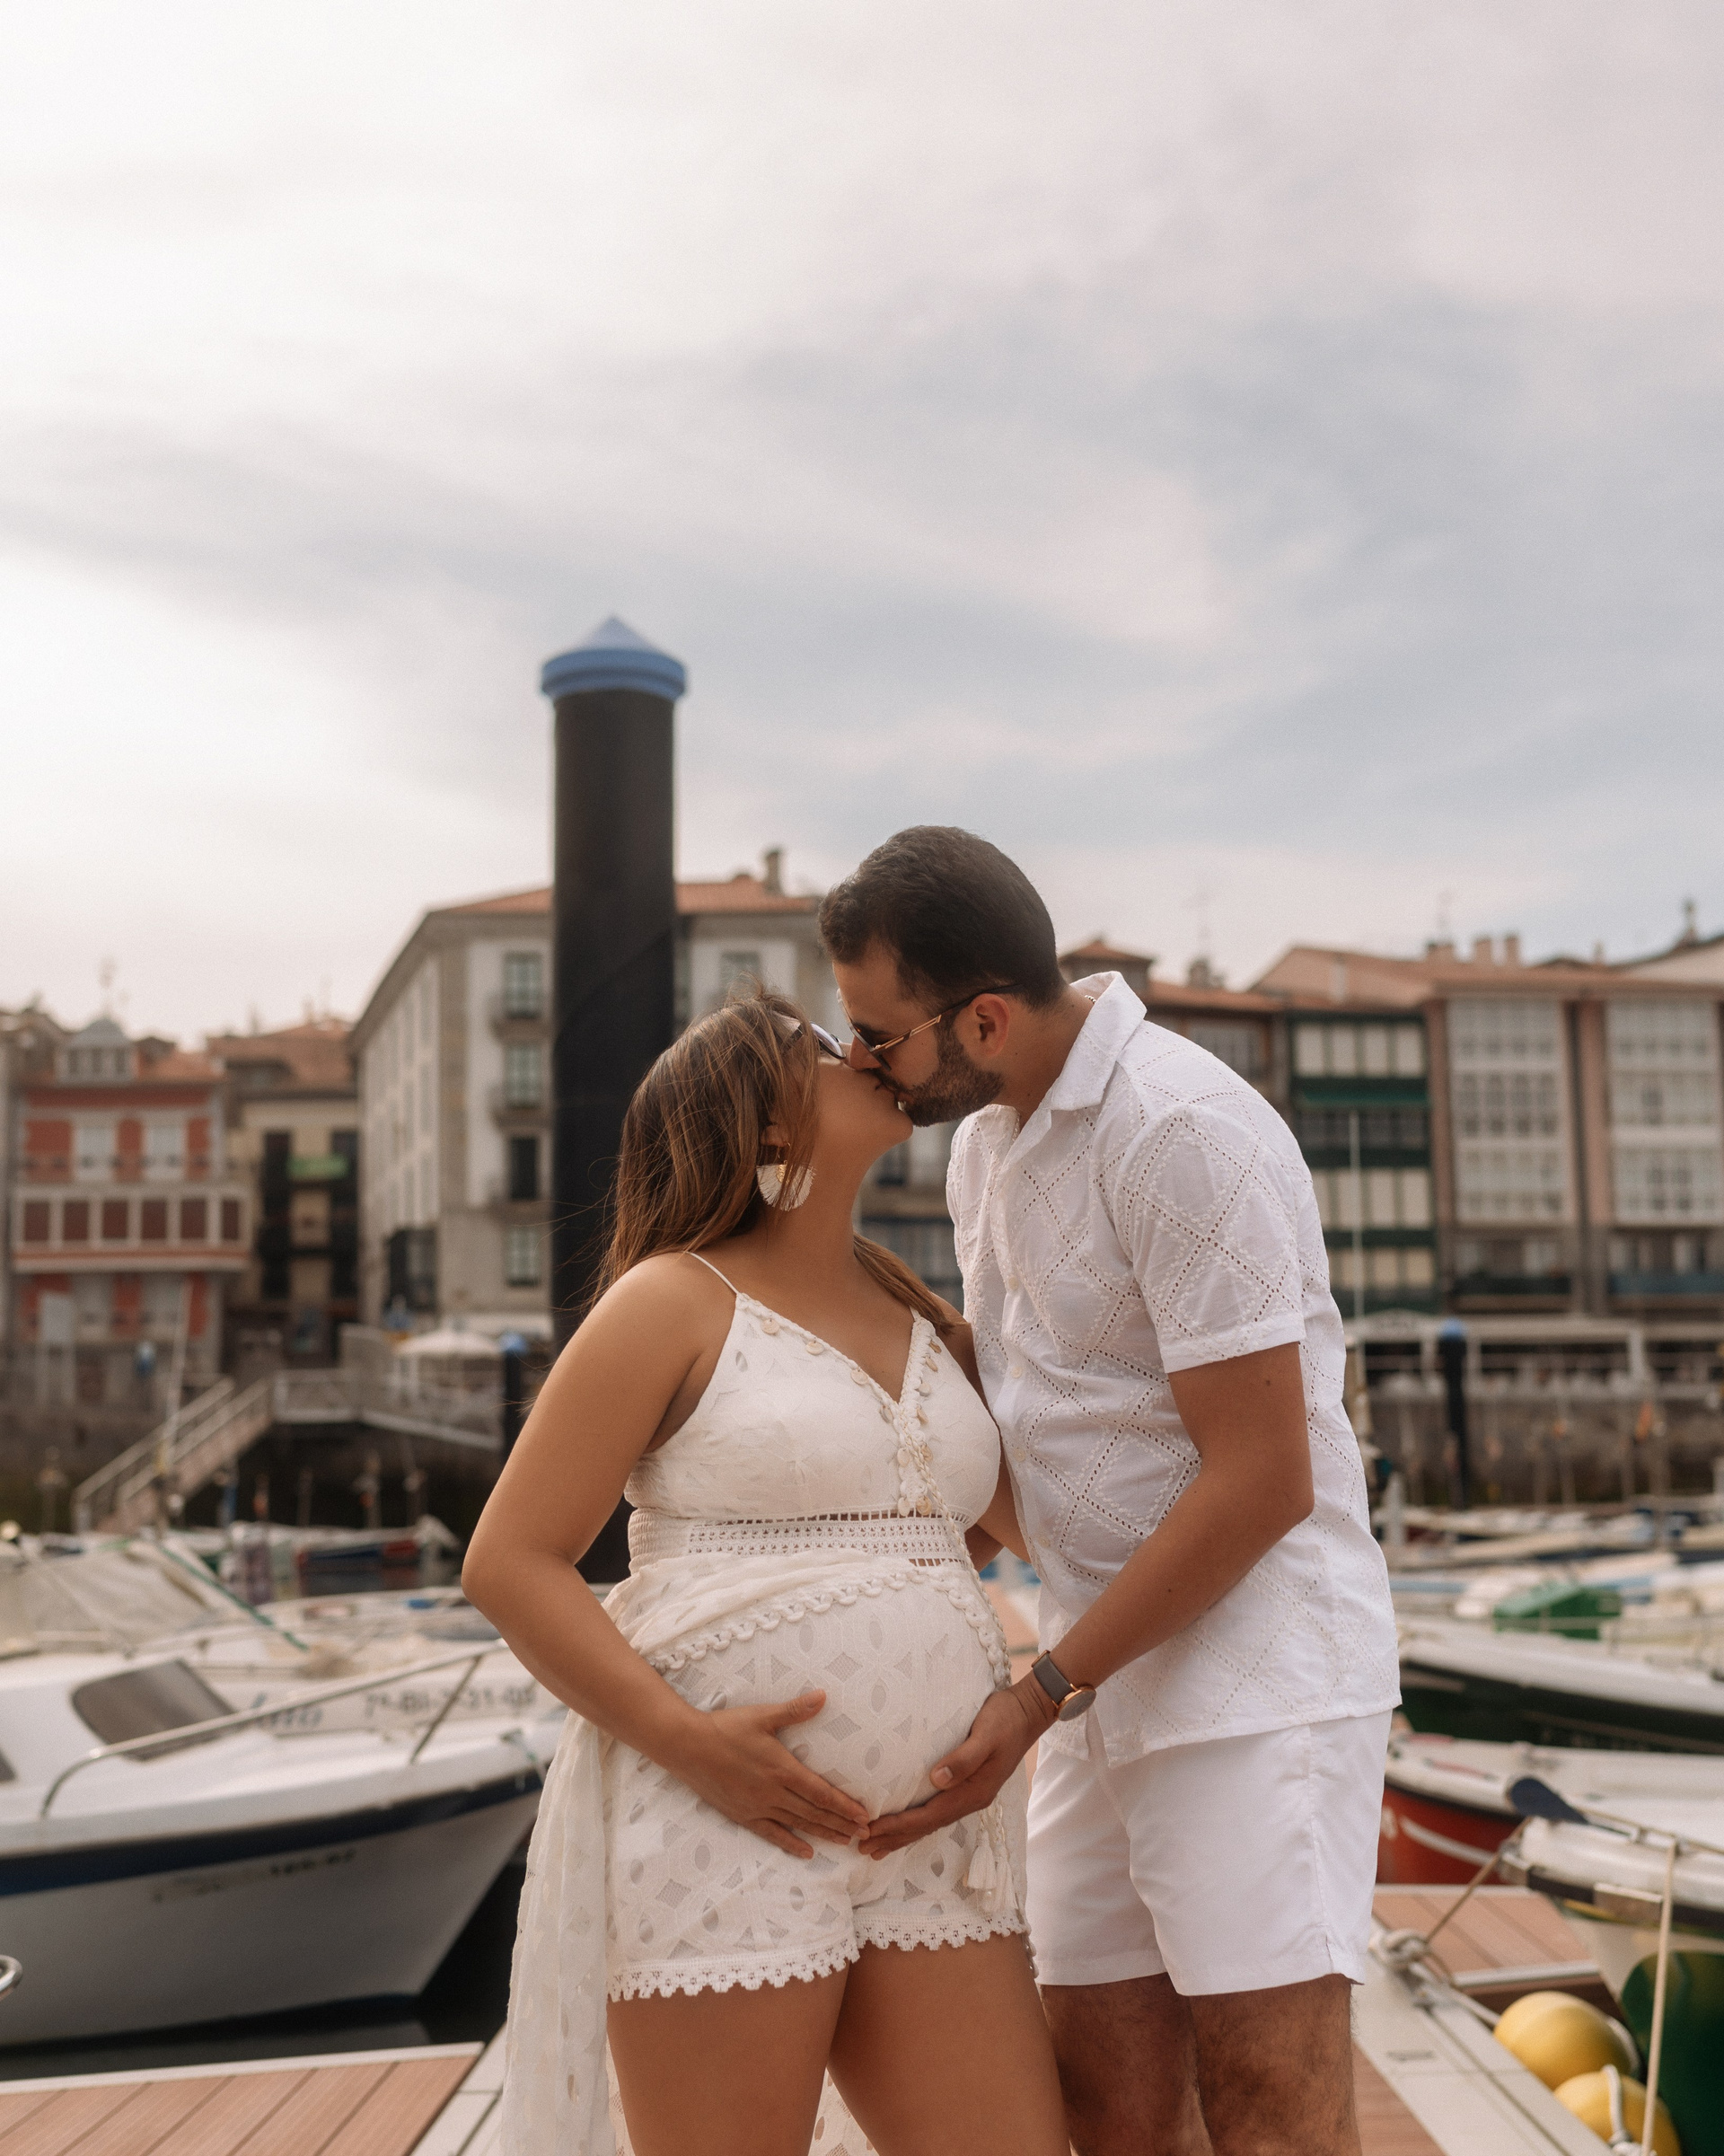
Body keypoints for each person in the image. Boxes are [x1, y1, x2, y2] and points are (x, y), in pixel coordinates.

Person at [820, 827, 1401, 2156]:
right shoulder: (982, 1147)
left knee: (1271, 2106)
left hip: (1255, 1682)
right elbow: (1042, 1426)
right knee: (1108, 2107)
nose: (861, 1060)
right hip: (1097, 1677)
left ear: (983, 1018)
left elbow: (1263, 1479)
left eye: (879, 1035)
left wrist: (1039, 1693)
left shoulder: (1182, 1128)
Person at [462, 990, 1068, 2156]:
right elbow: (510, 1561)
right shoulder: (672, 1299)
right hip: (723, 1824)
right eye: (817, 1048)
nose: (859, 1049)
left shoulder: (928, 1319)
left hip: (931, 1835)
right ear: (766, 1125)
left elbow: (1006, 1527)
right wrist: (691, 1743)